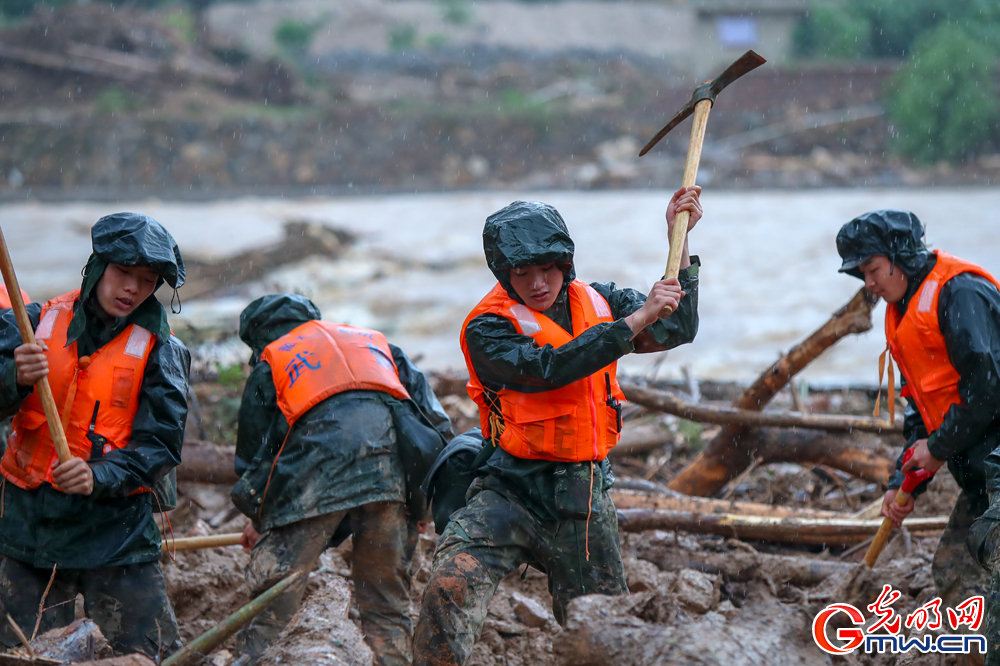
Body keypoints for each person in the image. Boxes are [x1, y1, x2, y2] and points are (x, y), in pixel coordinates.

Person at [412, 187, 703, 665]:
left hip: (582, 498)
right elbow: (550, 368)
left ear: (565, 264)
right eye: (521, 273)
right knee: (450, 586)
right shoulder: (487, 328)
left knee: (604, 633)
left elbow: (678, 327)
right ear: (504, 275)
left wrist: (681, 239)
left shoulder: (601, 301)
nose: (537, 283)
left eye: (546, 269)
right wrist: (635, 320)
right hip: (508, 490)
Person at [0, 213, 190, 657]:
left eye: (146, 280)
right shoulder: (31, 324)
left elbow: (160, 446)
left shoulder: (163, 351)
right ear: (98, 266)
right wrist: (13, 378)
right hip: (30, 530)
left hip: (117, 533)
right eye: (123, 272)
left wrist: (98, 476)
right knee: (26, 654)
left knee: (153, 652)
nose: (132, 289)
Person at [231, 294, 453, 666]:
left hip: (311, 476)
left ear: (258, 340)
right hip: (390, 479)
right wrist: (424, 501)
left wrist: (259, 517)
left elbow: (256, 457)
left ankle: (255, 659)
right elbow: (434, 424)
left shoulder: (274, 360)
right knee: (386, 605)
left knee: (272, 603)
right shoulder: (377, 344)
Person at [836, 210, 1000, 628]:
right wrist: (902, 482)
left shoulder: (959, 293)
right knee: (952, 574)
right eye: (861, 274)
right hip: (980, 472)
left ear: (899, 256)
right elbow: (923, 406)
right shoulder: (904, 309)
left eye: (872, 269)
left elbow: (986, 390)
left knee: (986, 578)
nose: (869, 284)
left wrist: (939, 447)